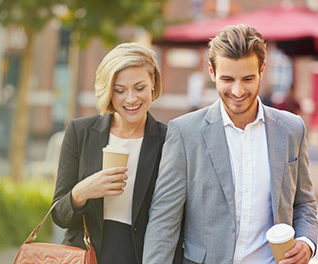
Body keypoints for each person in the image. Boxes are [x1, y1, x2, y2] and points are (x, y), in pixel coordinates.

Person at [143, 24, 317, 264]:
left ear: (262, 70)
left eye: (247, 79)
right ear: (212, 72)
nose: (237, 91)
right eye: (227, 79)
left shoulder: (291, 129)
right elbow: (163, 221)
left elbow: (304, 203)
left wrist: (307, 242)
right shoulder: (185, 133)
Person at [51, 42, 182, 264]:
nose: (130, 99)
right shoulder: (80, 132)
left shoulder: (169, 141)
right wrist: (82, 192)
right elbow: (59, 216)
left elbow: (176, 219)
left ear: (153, 84)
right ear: (108, 91)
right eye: (119, 90)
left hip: (142, 257)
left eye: (139, 88)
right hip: (85, 257)